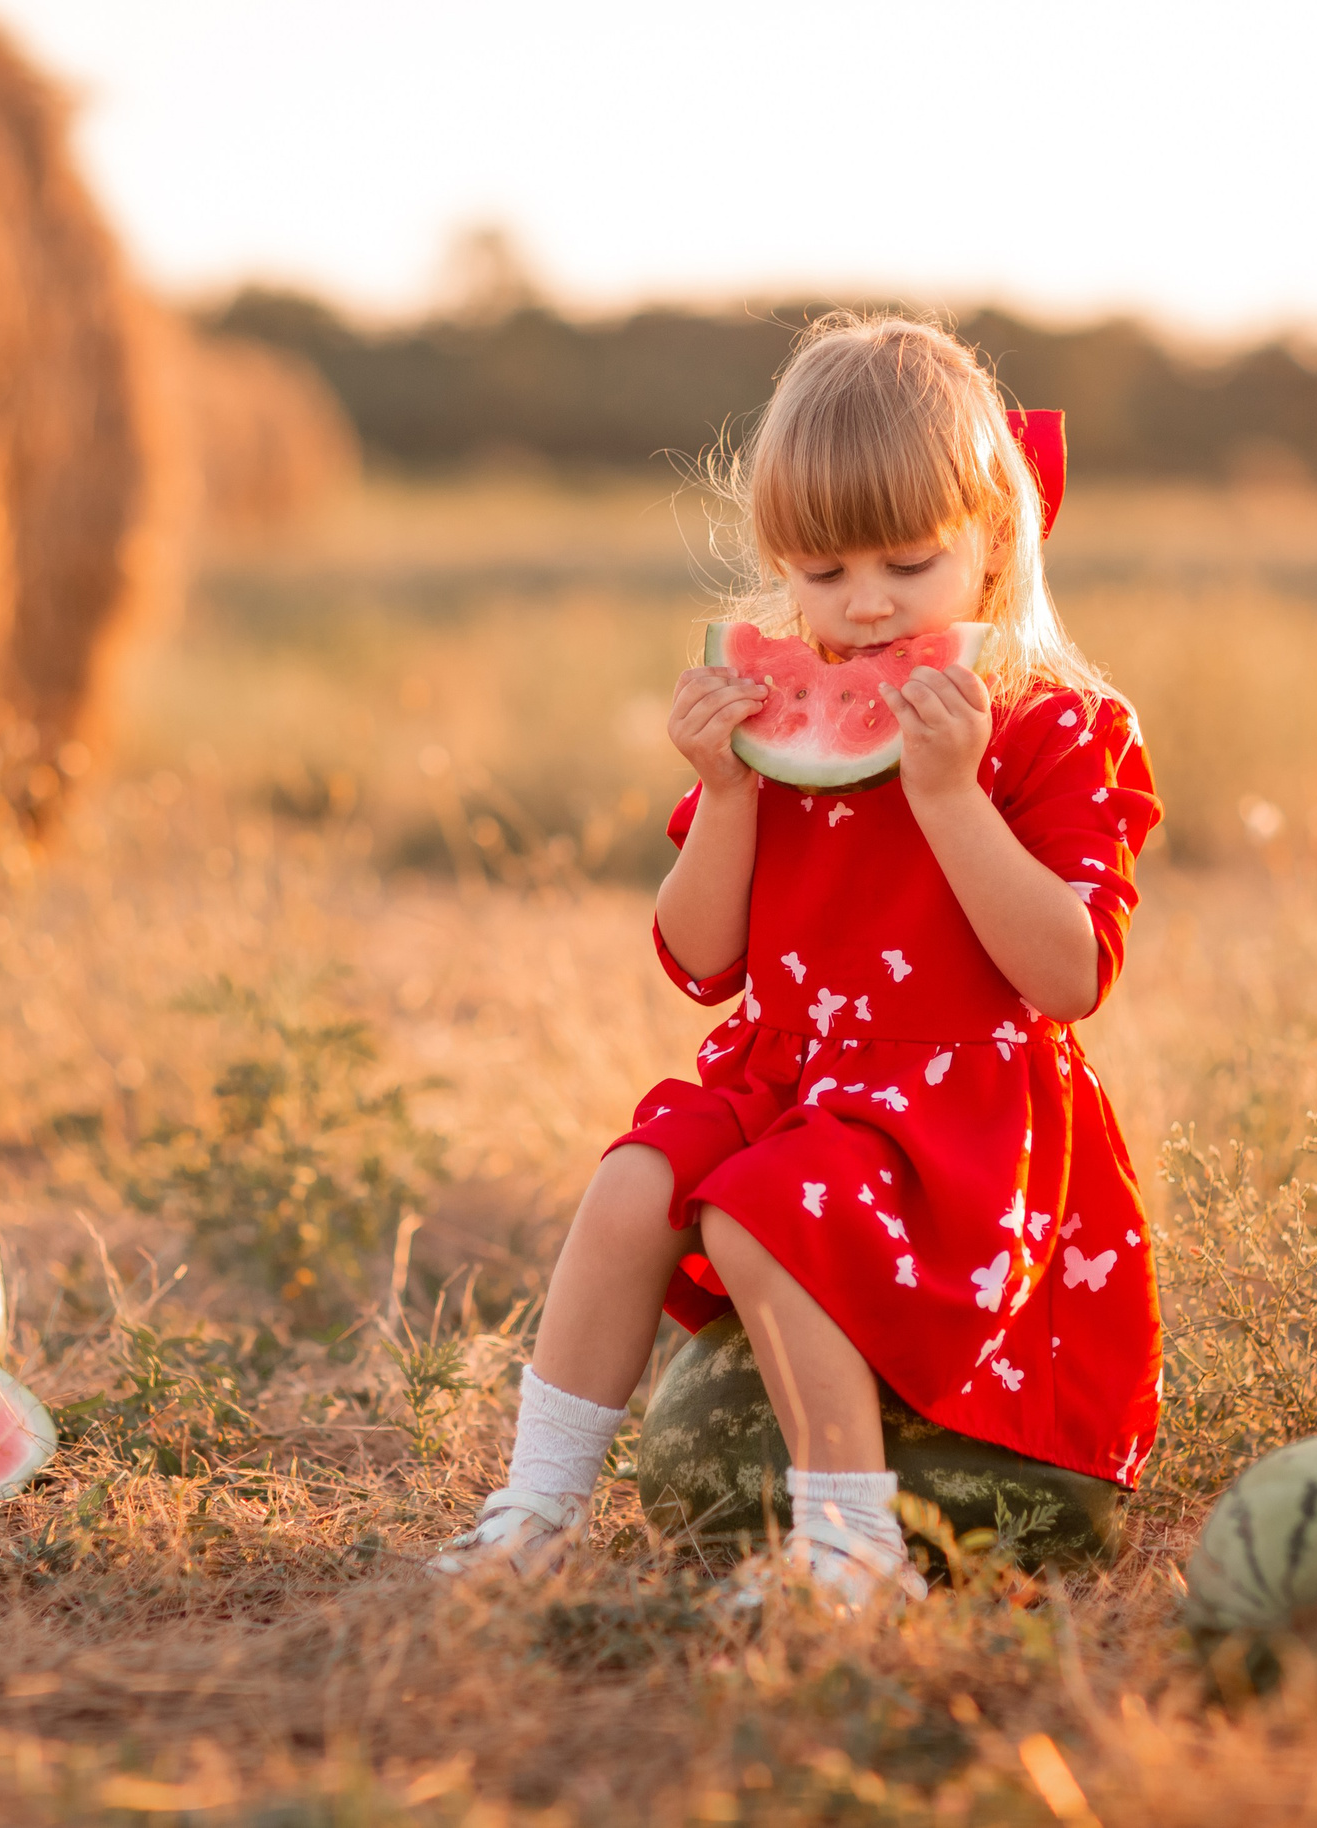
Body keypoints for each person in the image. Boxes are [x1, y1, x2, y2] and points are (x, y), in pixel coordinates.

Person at [431, 314, 1164, 1611]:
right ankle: (534, 1515)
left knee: (766, 1203)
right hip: (791, 1077)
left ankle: (850, 1552)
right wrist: (721, 788)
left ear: (997, 537)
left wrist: (949, 796)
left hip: (961, 1116)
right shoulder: (777, 722)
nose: (865, 603)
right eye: (820, 573)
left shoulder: (1061, 730)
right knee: (635, 1184)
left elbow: (1065, 976)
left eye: (907, 559)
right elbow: (702, 959)